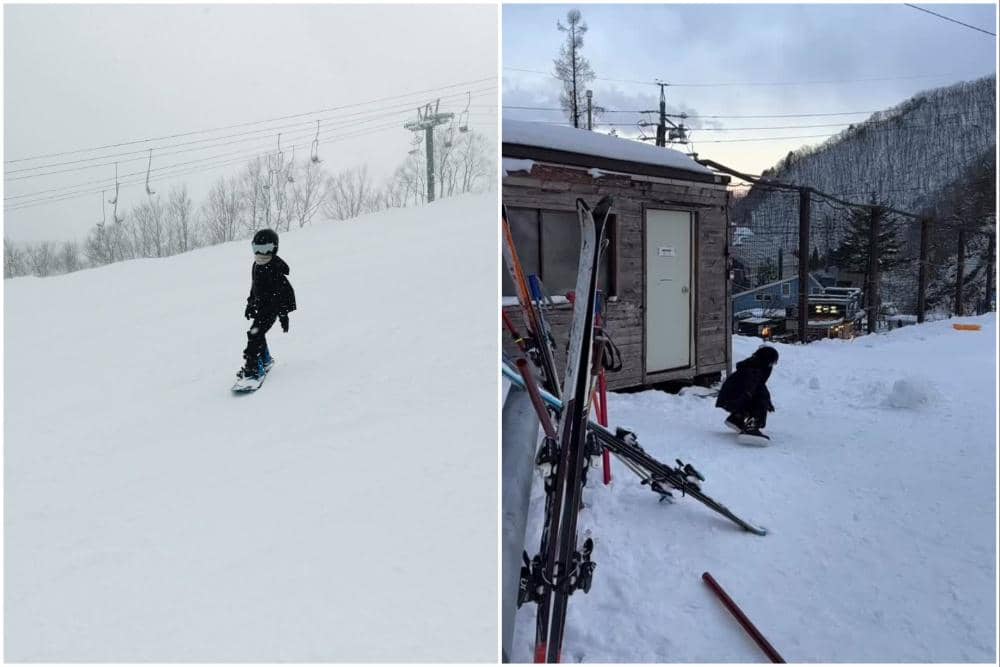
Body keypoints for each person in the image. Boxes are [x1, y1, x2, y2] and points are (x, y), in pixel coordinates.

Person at [239, 228, 296, 380]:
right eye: (257, 249)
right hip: (261, 307)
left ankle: (254, 370)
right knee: (256, 333)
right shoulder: (256, 265)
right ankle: (265, 360)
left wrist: (284, 316)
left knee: (254, 334)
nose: (260, 254)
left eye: (265, 250)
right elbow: (254, 288)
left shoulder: (275, 268)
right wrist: (250, 305)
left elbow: (286, 293)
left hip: (272, 309)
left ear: (273, 249)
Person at [715, 345, 778, 444]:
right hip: (732, 399)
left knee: (756, 397)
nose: (771, 367)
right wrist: (764, 405)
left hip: (728, 397)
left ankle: (737, 418)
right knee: (760, 399)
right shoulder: (754, 371)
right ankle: (752, 426)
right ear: (766, 361)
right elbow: (755, 391)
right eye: (771, 363)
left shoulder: (750, 366)